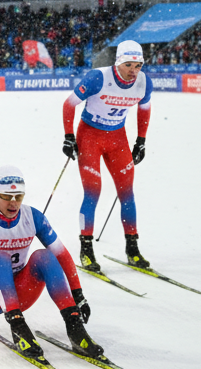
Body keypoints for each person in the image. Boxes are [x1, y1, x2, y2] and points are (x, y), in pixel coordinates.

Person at [0, 166, 101, 360]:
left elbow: (62, 254)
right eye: (7, 196)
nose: (13, 202)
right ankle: (18, 327)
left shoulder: (32, 217)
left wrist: (78, 295)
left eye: (19, 196)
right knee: (0, 257)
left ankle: (74, 326)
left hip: (19, 293)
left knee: (45, 256)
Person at [62, 39, 154, 272]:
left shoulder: (144, 82)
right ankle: (86, 250)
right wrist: (69, 136)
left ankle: (132, 249)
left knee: (127, 193)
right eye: (128, 65)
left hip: (117, 140)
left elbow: (144, 109)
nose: (133, 71)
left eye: (138, 65)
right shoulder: (98, 77)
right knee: (93, 192)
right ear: (118, 62)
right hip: (89, 138)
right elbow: (69, 104)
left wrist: (141, 141)